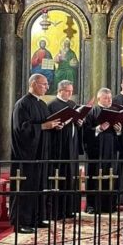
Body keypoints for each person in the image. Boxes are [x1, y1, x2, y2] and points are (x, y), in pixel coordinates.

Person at [10, 74, 63, 233]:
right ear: (33, 84)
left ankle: (37, 218)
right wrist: (43, 126)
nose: (47, 87)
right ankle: (21, 222)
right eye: (44, 84)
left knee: (40, 186)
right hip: (27, 155)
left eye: (47, 84)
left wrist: (54, 126)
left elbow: (45, 125)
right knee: (26, 187)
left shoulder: (42, 104)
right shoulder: (22, 104)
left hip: (41, 153)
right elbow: (21, 129)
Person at [47, 80, 84, 218]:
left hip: (72, 145)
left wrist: (80, 122)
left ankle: (70, 209)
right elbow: (49, 126)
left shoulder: (72, 104)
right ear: (60, 90)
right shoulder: (52, 105)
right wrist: (58, 126)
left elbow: (76, 123)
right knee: (61, 177)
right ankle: (58, 211)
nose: (70, 93)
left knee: (72, 177)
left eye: (71, 91)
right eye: (67, 91)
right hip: (60, 147)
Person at [83, 88, 123, 214]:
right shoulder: (92, 112)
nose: (109, 100)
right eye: (106, 98)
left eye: (110, 98)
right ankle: (92, 206)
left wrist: (119, 131)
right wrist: (98, 129)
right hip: (96, 149)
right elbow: (85, 132)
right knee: (95, 175)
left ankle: (110, 205)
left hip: (111, 149)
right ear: (99, 98)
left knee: (110, 175)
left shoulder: (115, 111)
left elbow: (120, 134)